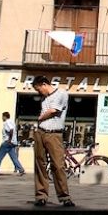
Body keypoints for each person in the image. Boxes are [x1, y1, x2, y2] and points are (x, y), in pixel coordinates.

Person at [30, 75, 74, 207]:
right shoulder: (44, 98)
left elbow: (53, 111)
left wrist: (39, 118)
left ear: (44, 84)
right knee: (40, 164)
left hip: (54, 134)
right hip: (41, 132)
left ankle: (64, 197)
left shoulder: (61, 93)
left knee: (58, 165)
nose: (39, 92)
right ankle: (41, 196)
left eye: (39, 89)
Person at [0, 111, 24, 176]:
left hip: (7, 143)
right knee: (14, 157)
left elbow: (11, 130)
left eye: (2, 117)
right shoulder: (12, 122)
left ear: (4, 116)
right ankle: (21, 169)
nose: (2, 118)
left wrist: (9, 140)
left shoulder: (7, 122)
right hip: (12, 143)